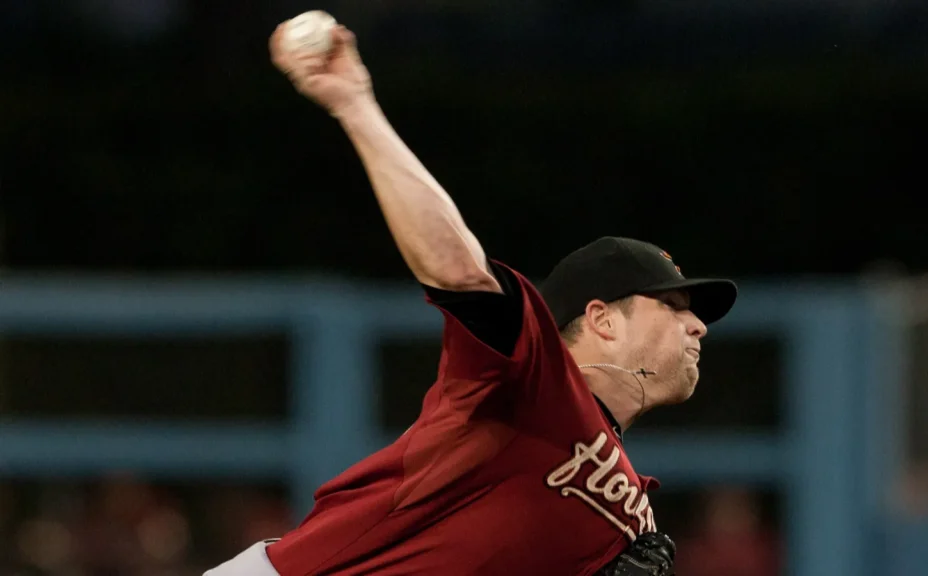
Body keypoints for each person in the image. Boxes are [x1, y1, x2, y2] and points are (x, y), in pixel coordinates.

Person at [205, 19, 736, 576]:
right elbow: (457, 270)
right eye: (672, 306)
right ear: (602, 319)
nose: (698, 325)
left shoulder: (632, 517)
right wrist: (356, 104)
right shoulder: (530, 377)